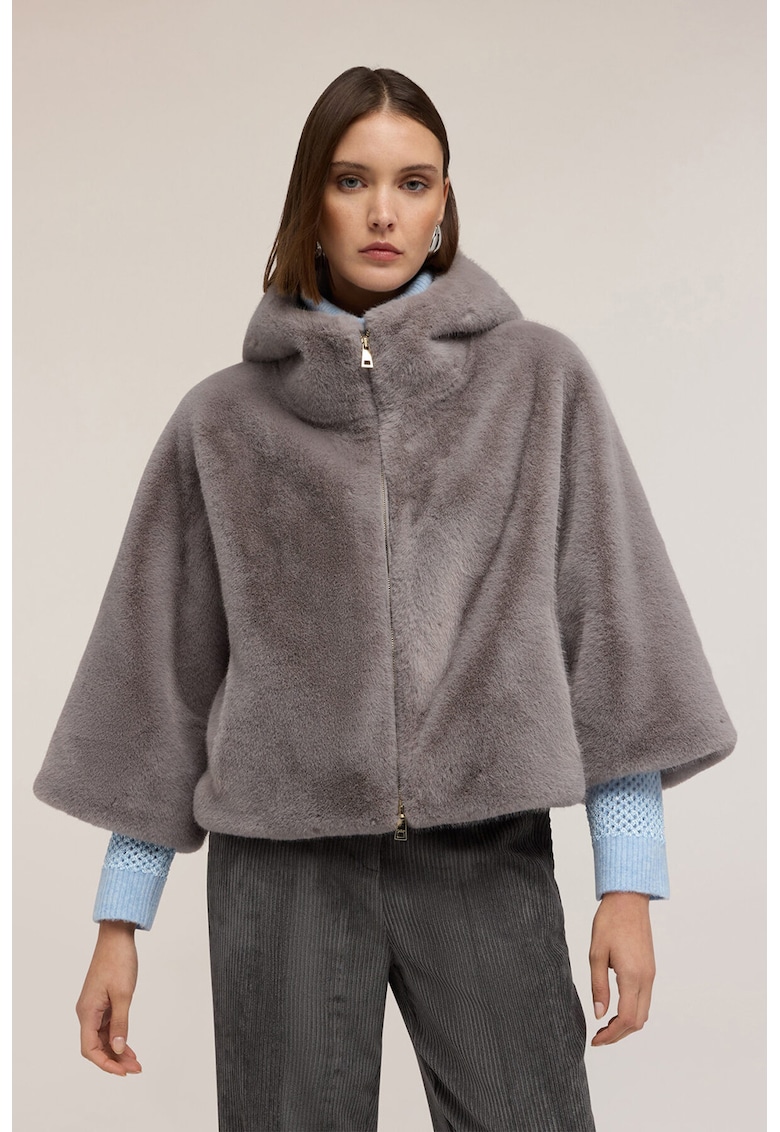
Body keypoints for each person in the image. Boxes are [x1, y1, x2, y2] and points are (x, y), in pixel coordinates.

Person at [34, 66, 737, 1131]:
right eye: (351, 179)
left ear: (444, 201)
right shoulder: (221, 423)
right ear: (308, 201)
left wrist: (628, 881)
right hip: (282, 869)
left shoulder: (539, 382)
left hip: (482, 854)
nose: (382, 212)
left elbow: (616, 636)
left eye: (414, 182)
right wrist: (118, 921)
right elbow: (158, 678)